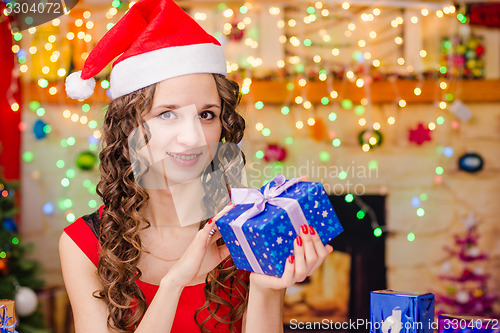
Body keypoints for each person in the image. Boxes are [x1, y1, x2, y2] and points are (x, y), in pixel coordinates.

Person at [59, 0, 334, 332]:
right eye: (167, 114)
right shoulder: (83, 244)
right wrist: (175, 282)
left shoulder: (247, 228)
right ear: (129, 128)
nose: (192, 138)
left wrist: (265, 285)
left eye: (207, 114)